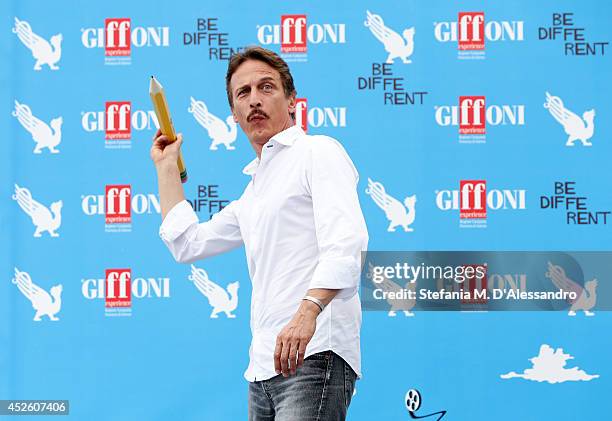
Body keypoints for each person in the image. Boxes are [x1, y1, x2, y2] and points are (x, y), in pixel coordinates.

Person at [151, 46, 368, 421]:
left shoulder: (318, 151)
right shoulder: (253, 192)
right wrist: (167, 168)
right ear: (234, 116)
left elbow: (347, 243)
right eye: (243, 93)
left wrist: (308, 313)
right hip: (262, 372)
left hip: (315, 355)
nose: (254, 100)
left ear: (292, 100)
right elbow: (188, 243)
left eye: (266, 88)